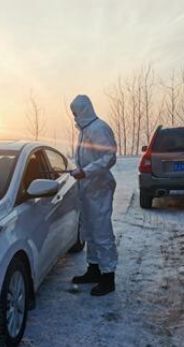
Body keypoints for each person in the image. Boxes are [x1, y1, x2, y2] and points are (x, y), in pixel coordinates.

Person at [69, 95, 118, 297]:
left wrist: (86, 172)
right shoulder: (84, 131)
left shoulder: (99, 129)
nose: (73, 116)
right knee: (89, 231)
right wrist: (79, 171)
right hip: (87, 189)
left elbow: (109, 157)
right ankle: (94, 269)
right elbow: (83, 158)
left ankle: (108, 277)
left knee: (102, 233)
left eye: (75, 112)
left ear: (84, 110)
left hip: (99, 189)